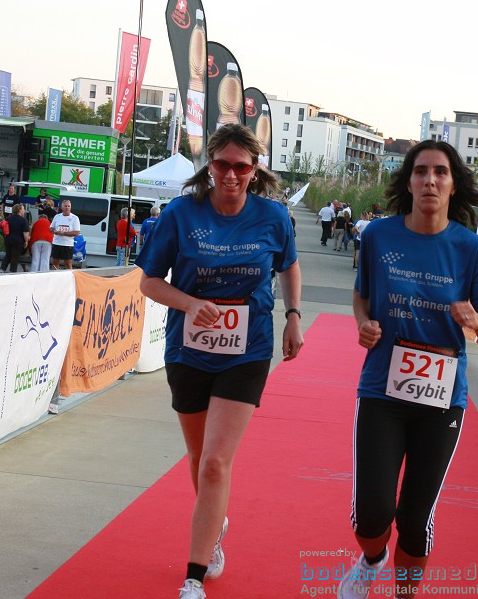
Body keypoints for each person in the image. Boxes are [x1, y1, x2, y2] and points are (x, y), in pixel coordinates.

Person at [135, 124, 303, 599]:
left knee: (214, 463)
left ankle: (194, 573)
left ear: (255, 170)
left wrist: (293, 316)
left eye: (241, 167)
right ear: (210, 165)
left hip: (246, 351)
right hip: (188, 350)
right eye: (222, 164)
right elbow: (148, 282)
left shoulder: (273, 217)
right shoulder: (181, 214)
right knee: (198, 458)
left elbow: (288, 264)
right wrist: (189, 304)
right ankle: (216, 521)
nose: (231, 175)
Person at [340, 140, 478, 599]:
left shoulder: (473, 250)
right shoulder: (378, 236)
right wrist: (364, 324)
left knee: (415, 520)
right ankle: (372, 560)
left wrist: (475, 320)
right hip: (382, 392)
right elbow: (362, 295)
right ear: (408, 181)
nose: (429, 180)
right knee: (372, 514)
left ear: (453, 185)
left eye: (439, 172)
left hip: (441, 401)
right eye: (420, 172)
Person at [50, 200, 81, 270]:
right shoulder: (57, 217)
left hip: (67, 244)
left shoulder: (75, 218)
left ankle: (69, 278)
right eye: (65, 206)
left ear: (70, 208)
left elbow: (76, 232)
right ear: (62, 207)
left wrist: (64, 233)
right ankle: (54, 277)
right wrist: (55, 231)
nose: (67, 208)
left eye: (68, 206)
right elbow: (51, 228)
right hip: (57, 243)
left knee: (68, 263)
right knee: (55, 262)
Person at [2, 204, 30, 273]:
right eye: (23, 209)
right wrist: (26, 241)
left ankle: (2, 270)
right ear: (19, 210)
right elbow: (25, 233)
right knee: (15, 257)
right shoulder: (23, 220)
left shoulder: (9, 218)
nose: (24, 210)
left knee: (8, 255)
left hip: (8, 239)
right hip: (18, 241)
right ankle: (12, 271)